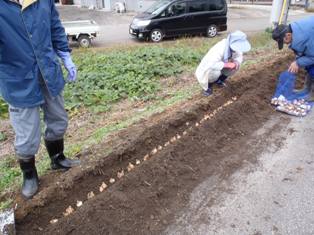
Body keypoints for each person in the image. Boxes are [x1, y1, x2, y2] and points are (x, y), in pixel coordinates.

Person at [0, 0, 80, 199]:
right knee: (27, 134)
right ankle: (29, 175)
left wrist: (64, 54)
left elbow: (54, 26)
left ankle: (57, 158)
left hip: (48, 70)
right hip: (18, 78)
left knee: (59, 119)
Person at [195, 31, 251, 96]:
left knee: (236, 66)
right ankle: (208, 86)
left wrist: (236, 63)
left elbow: (239, 56)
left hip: (222, 65)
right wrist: (226, 65)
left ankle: (219, 80)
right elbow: (211, 64)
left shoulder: (236, 48)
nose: (237, 49)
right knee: (215, 73)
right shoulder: (220, 48)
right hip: (207, 69)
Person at [272, 16, 314, 100]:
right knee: (309, 65)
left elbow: (312, 56)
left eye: (284, 42)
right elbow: (304, 52)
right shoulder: (295, 30)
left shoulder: (301, 38)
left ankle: (312, 93)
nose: (285, 44)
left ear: (288, 35)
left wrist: (298, 63)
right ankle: (307, 89)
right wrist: (298, 60)